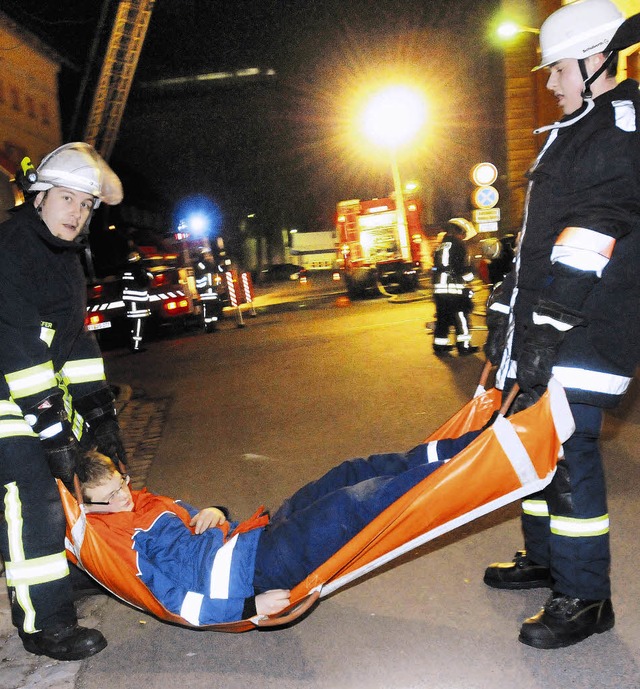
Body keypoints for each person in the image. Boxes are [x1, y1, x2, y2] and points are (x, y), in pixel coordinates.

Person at [482, 0, 640, 650]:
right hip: (551, 329)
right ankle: (547, 559)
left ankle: (585, 598)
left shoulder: (617, 131)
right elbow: (535, 245)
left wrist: (543, 331)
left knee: (571, 458)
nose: (549, 83)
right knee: (536, 448)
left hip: (583, 332)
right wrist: (505, 325)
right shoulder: (580, 128)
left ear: (596, 60)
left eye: (557, 71)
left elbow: (585, 242)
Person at [76, 430, 482, 626]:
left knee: (349, 472)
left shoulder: (144, 501)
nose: (123, 498)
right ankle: (468, 469)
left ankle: (465, 446)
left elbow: (196, 521)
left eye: (122, 484)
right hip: (255, 573)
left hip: (253, 536)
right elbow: (174, 604)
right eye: (110, 497)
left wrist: (213, 510)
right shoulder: (113, 539)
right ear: (87, 505)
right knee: (351, 505)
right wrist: (251, 608)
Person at [0, 142, 129, 661]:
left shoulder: (64, 257)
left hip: (28, 386)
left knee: (66, 481)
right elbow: (18, 344)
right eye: (67, 199)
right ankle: (43, 625)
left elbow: (74, 342)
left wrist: (100, 417)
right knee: (33, 493)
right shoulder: (12, 248)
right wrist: (54, 432)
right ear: (39, 198)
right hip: (7, 383)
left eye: (85, 204)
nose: (76, 211)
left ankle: (68, 575)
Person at [431, 221, 478, 355]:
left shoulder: (440, 246)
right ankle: (464, 346)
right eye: (463, 234)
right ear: (460, 233)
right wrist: (470, 278)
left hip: (439, 290)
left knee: (442, 319)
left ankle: (440, 346)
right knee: (461, 317)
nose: (463, 237)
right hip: (454, 289)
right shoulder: (458, 246)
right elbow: (462, 269)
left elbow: (438, 267)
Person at [122, 249, 151, 352]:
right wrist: (148, 274)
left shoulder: (127, 270)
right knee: (138, 324)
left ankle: (133, 345)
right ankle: (136, 346)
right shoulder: (138, 270)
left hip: (131, 302)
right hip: (137, 302)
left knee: (133, 324)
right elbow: (145, 282)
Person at [193, 247, 224, 333]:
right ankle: (208, 327)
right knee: (208, 310)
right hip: (205, 292)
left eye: (209, 254)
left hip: (213, 292)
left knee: (215, 309)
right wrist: (212, 262)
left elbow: (219, 270)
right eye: (206, 255)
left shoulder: (211, 264)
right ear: (202, 256)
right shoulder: (200, 265)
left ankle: (213, 326)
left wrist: (219, 263)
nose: (208, 256)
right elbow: (206, 269)